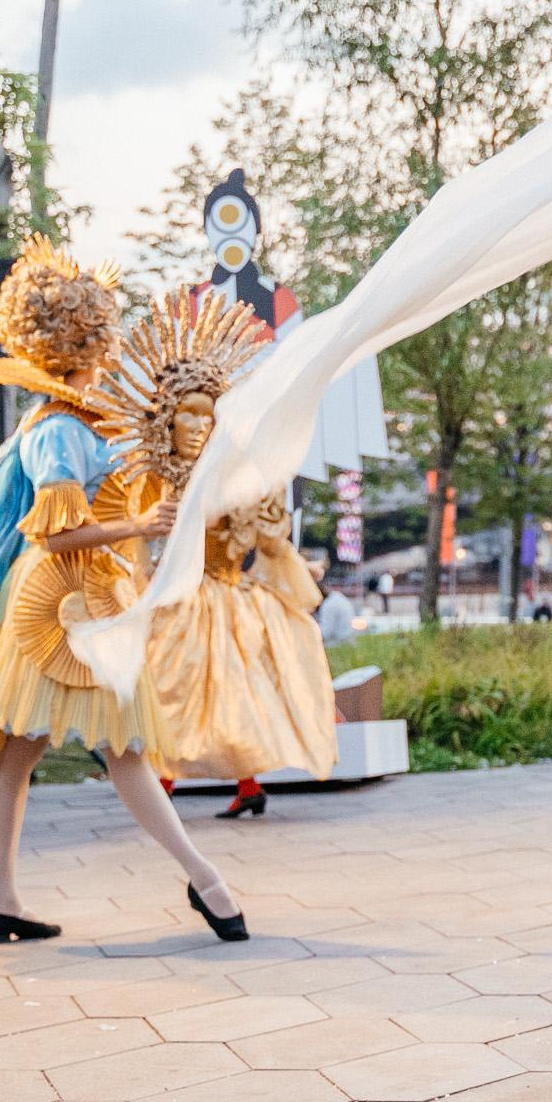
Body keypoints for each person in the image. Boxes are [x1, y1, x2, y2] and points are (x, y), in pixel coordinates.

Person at [0, 237, 251, 946]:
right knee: (116, 745)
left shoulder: (78, 422)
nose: (111, 348)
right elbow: (56, 535)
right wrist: (138, 524)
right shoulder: (57, 430)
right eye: (103, 335)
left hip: (85, 599)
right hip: (61, 605)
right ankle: (204, 879)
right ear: (85, 345)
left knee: (22, 754)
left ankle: (3, 899)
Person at [91, 289, 338, 821]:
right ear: (168, 418)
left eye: (209, 415)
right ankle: (210, 785)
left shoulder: (232, 473)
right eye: (188, 413)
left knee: (223, 692)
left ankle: (180, 786)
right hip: (179, 594)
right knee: (178, 688)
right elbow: (138, 536)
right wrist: (141, 579)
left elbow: (263, 536)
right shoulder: (155, 475)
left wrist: (286, 556)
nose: (200, 425)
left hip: (223, 595)